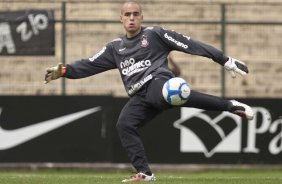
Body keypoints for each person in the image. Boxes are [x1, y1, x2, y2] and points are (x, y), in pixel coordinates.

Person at [44, 0, 254, 182]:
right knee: (125, 124)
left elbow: (189, 44)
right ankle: (144, 173)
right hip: (140, 97)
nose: (132, 18)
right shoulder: (115, 47)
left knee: (173, 90)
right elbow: (89, 64)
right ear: (121, 19)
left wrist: (223, 59)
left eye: (136, 14)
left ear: (142, 17)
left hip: (158, 82)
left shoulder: (155, 34)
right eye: (127, 15)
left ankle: (229, 105)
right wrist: (64, 70)